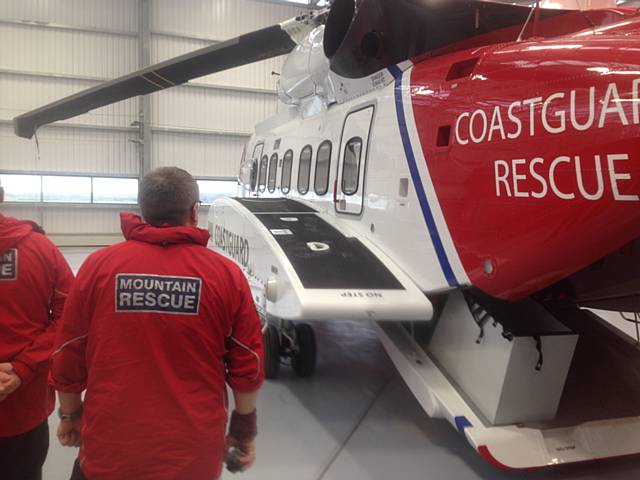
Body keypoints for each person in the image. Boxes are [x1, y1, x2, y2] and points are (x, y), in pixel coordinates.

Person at [51, 167, 264, 480]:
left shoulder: (99, 267)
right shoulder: (226, 276)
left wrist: (70, 414)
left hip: (111, 452)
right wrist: (244, 429)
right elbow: (249, 364)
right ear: (194, 212)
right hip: (191, 456)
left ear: (143, 210)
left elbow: (68, 351)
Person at [0, 179, 75, 480]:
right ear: (2, 197)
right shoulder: (42, 249)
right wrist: (21, 369)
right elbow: (68, 317)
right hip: (24, 407)